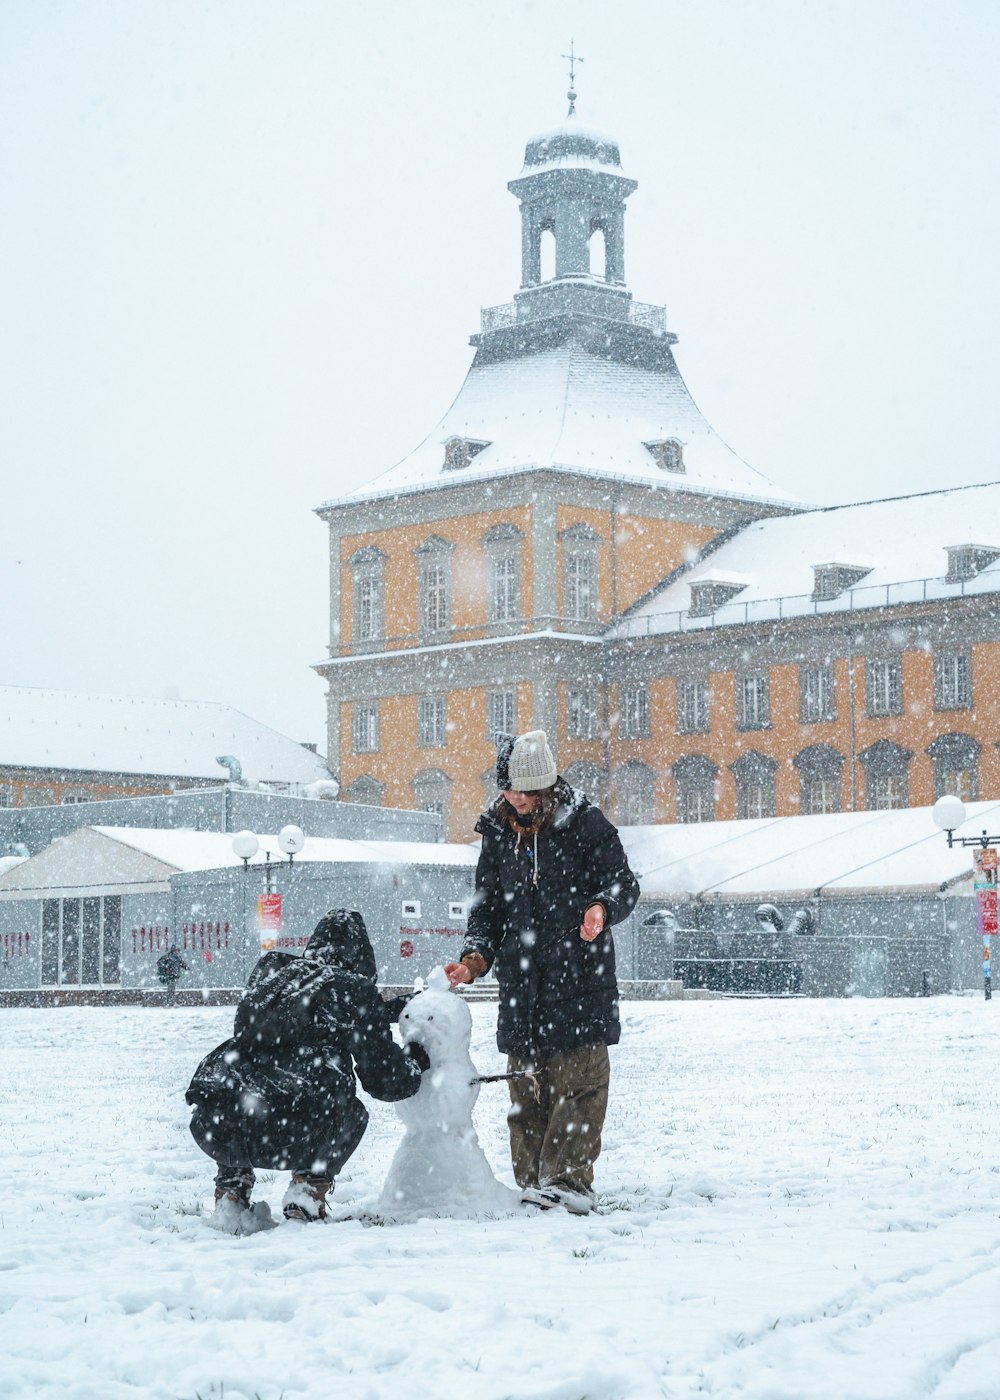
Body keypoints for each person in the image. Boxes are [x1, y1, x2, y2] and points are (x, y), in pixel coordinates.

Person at [445, 730, 639, 1215]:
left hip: (580, 980)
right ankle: (533, 1183)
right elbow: (486, 910)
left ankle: (569, 1184)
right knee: (526, 1093)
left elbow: (623, 882)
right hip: (522, 986)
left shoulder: (586, 823)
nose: (521, 800)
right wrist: (474, 960)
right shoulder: (496, 833)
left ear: (549, 786)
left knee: (578, 1087)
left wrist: (602, 907)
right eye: (513, 790)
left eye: (531, 791)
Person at [186, 907, 429, 1228]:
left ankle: (232, 1191)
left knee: (244, 1082)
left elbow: (309, 1013)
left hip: (217, 1127)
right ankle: (307, 1191)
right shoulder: (355, 990)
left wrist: (382, 1009)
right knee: (351, 1112)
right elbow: (387, 1082)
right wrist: (415, 1057)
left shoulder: (271, 971)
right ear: (363, 956)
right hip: (295, 1132)